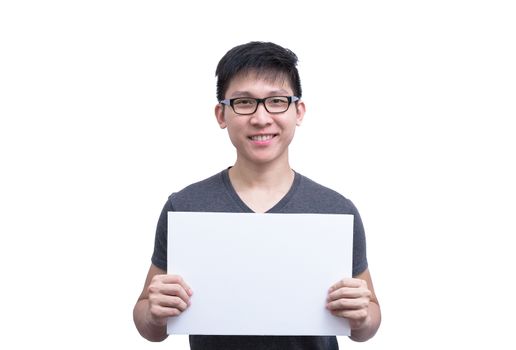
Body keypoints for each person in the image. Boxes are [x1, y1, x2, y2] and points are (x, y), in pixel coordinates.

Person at [133, 41, 381, 349]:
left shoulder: (335, 210)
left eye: (277, 101)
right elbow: (148, 322)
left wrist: (362, 316)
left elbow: (368, 322)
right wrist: (155, 313)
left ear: (298, 111)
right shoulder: (185, 207)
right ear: (221, 114)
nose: (261, 118)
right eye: (244, 103)